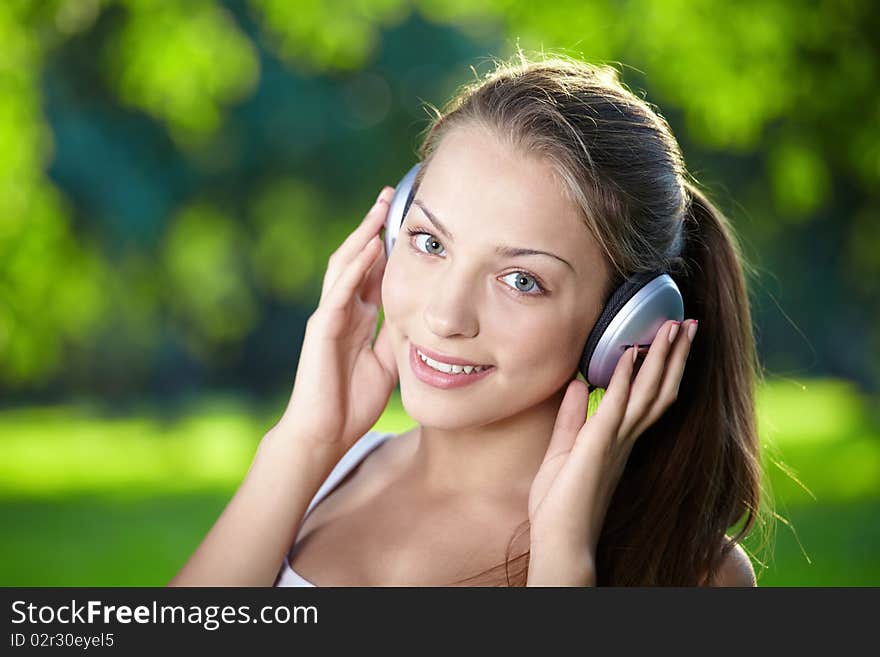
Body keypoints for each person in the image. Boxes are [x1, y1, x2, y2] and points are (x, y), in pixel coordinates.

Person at [169, 52, 765, 587]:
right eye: (430, 242)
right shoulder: (318, 473)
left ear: (625, 326)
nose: (444, 314)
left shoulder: (690, 575)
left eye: (521, 280)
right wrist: (303, 443)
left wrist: (564, 559)